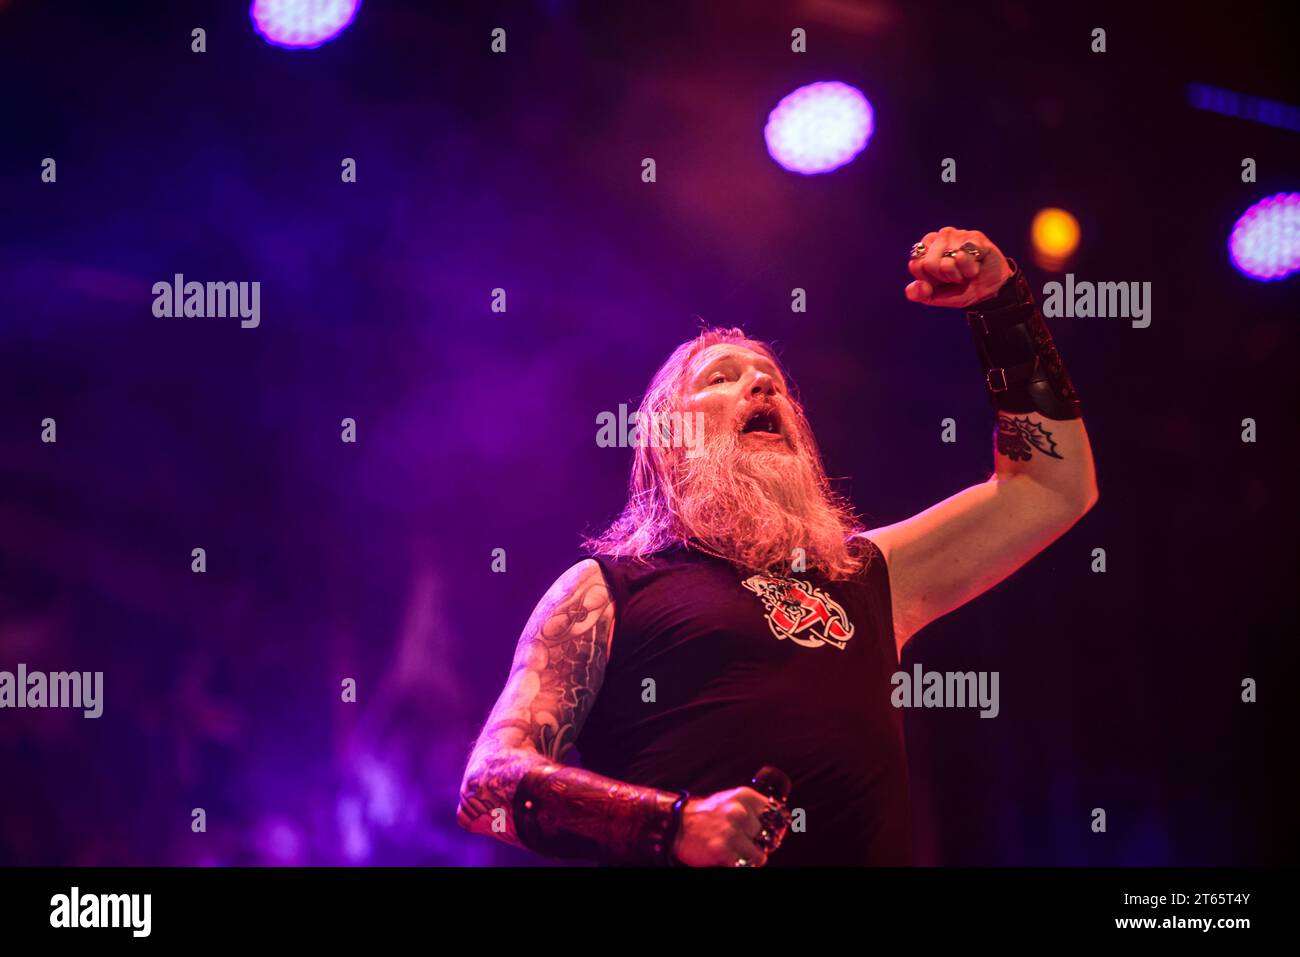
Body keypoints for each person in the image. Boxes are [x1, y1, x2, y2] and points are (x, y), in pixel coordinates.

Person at [456, 227, 1098, 866]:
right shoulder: (607, 589)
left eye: (773, 379)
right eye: (721, 379)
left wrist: (1002, 306)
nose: (762, 388)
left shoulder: (868, 576)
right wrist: (671, 826)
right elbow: (488, 788)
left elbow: (1050, 485)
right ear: (665, 436)